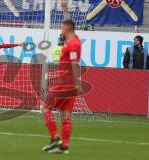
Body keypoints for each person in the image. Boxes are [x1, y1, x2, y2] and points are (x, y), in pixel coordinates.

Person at [42, 1, 82, 154]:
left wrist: (78, 84)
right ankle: (64, 145)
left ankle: (54, 137)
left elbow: (74, 63)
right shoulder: (74, 40)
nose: (60, 29)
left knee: (45, 108)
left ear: (66, 29)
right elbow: (69, 23)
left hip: (65, 83)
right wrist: (65, 9)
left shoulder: (72, 45)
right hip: (69, 85)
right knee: (66, 115)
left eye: (61, 27)